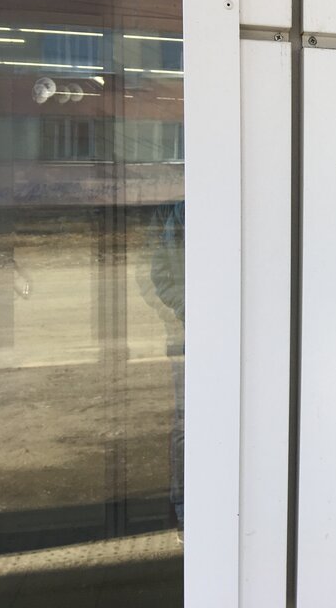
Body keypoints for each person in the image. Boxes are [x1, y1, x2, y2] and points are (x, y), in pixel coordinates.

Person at [150, 200, 185, 540]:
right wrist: (189, 309)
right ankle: (186, 512)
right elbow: (157, 274)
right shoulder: (179, 214)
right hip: (187, 338)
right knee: (186, 423)